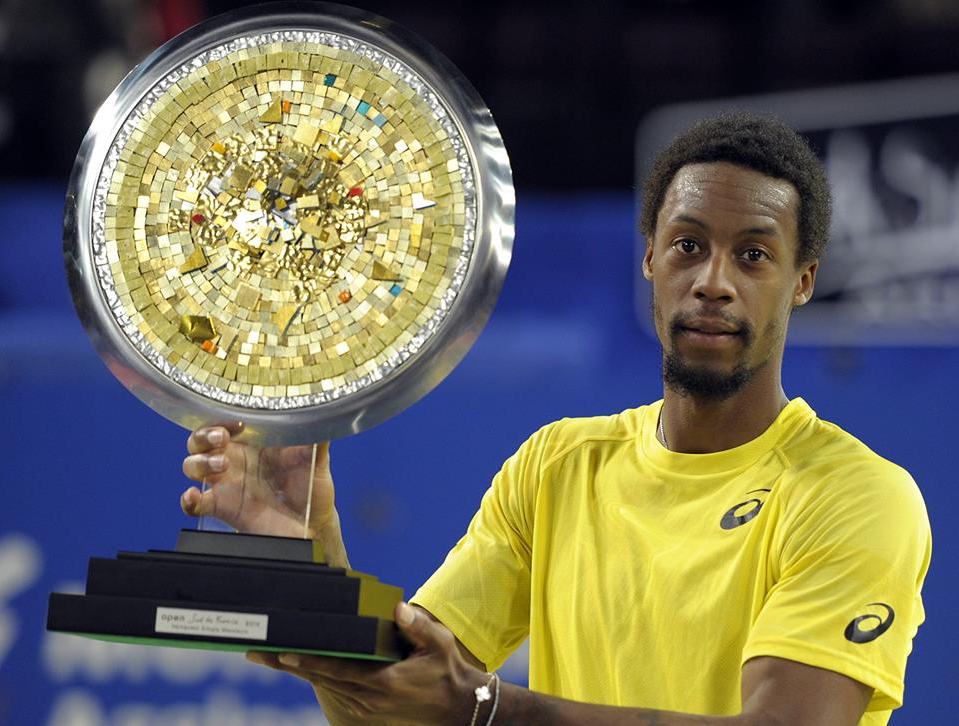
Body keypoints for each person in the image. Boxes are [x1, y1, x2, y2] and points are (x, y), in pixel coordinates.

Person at [180, 112, 931, 726]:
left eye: (754, 256)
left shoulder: (858, 496)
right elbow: (403, 701)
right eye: (689, 246)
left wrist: (491, 709)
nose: (713, 282)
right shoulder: (558, 465)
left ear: (803, 282)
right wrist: (313, 553)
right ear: (649, 260)